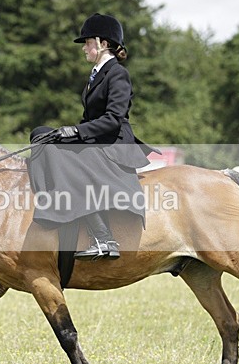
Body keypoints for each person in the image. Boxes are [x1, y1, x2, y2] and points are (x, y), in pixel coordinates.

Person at [28, 13, 158, 261]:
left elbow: (113, 119)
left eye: (88, 42)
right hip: (96, 138)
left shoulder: (117, 74)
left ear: (103, 43)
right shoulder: (96, 75)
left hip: (113, 142)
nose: (85, 48)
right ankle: (54, 204)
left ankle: (104, 238)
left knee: (58, 154)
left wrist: (76, 132)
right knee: (41, 135)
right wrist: (64, 133)